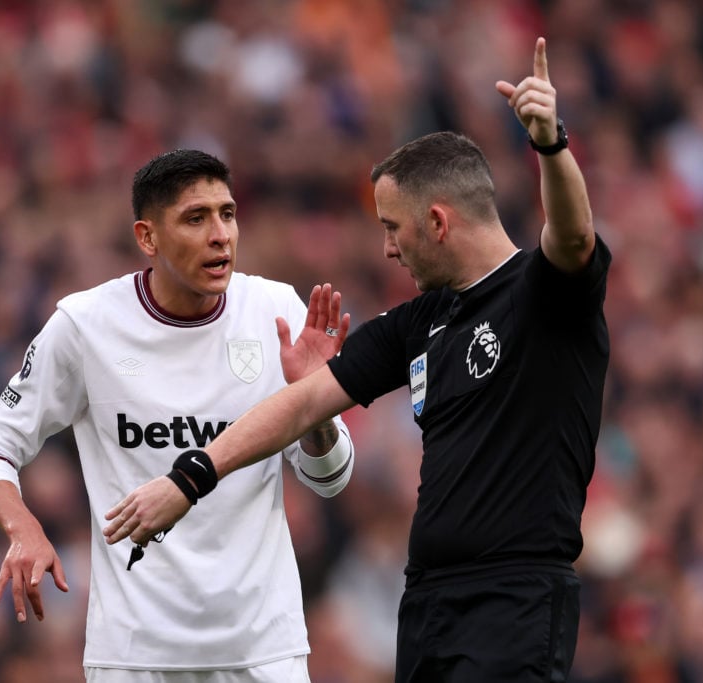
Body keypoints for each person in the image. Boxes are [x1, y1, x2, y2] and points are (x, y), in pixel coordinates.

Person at [105, 37, 610, 682]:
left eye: (392, 228)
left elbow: (572, 237)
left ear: (437, 221)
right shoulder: (419, 324)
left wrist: (550, 144)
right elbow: (304, 403)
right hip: (429, 603)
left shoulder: (542, 296)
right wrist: (190, 478)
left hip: (514, 601)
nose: (388, 249)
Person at [0, 149, 355, 682]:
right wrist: (23, 527)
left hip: (262, 650)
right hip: (135, 655)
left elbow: (329, 479)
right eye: (196, 218)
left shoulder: (275, 310)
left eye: (228, 213)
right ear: (147, 238)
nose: (221, 235)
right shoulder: (86, 325)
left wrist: (315, 404)